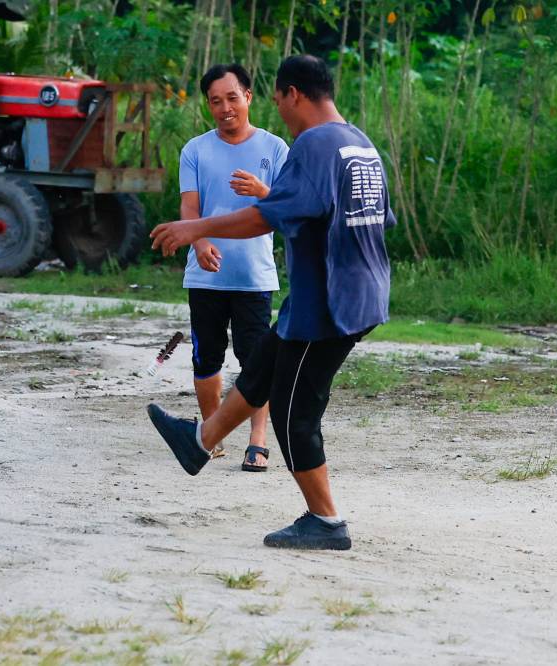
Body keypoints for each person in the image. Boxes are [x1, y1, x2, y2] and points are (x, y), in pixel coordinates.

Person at [147, 54, 395, 550]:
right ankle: (198, 443)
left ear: (292, 94)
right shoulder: (358, 143)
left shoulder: (313, 145)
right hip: (358, 289)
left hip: (329, 304)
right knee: (263, 364)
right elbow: (375, 219)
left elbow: (265, 218)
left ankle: (325, 521)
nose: (279, 110)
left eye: (279, 99)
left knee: (292, 409)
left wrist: (196, 227)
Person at [179, 63, 289, 472]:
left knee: (256, 360)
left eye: (231, 98)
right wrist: (200, 240)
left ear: (248, 97)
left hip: (254, 276)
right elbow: (190, 209)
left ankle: (257, 441)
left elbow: (290, 207)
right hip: (205, 274)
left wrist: (263, 191)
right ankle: (211, 435)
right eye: (214, 101)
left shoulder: (275, 148)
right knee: (206, 357)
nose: (224, 108)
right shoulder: (195, 150)